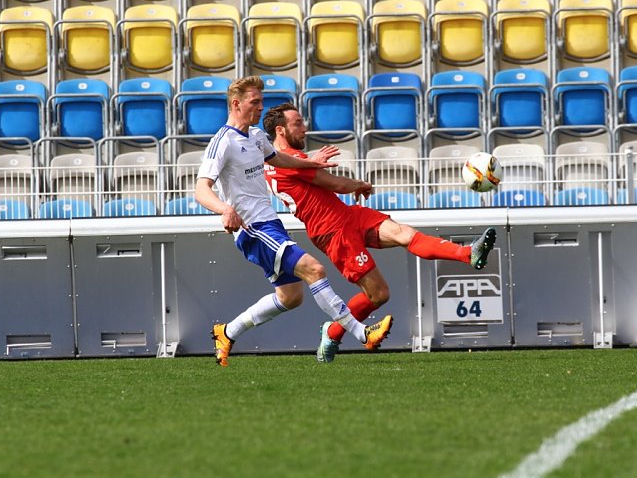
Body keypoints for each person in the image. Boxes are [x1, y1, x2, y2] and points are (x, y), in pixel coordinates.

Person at [262, 103, 496, 363]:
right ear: (280, 130)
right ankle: (333, 331)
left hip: (347, 215)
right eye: (298, 124)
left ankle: (468, 253)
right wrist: (360, 184)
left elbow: (328, 184)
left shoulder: (285, 160)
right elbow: (337, 183)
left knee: (403, 234)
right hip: (331, 231)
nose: (304, 129)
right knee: (379, 294)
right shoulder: (288, 162)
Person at [195, 76, 393, 367]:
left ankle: (227, 332)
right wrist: (224, 209)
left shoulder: (256, 137)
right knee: (314, 269)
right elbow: (201, 188)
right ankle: (362, 333)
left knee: (290, 297)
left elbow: (280, 160)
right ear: (236, 104)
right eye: (255, 102)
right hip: (252, 228)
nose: (261, 107)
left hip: (270, 224)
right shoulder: (222, 142)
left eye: (262, 101)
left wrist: (312, 163)